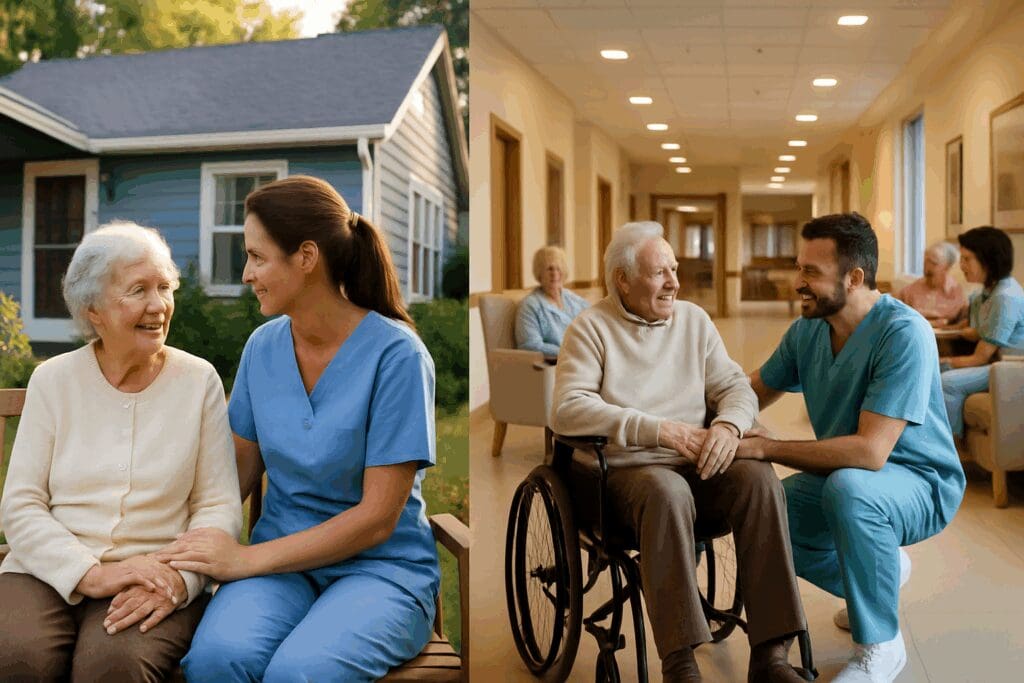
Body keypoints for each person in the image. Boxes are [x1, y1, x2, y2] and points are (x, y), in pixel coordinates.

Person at [156, 175, 440, 682]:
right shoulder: (263, 348)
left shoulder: (397, 356)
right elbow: (232, 478)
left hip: (382, 572)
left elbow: (377, 519)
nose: (246, 274)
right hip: (279, 571)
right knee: (216, 659)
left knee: (301, 672)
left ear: (306, 257)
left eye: (257, 257)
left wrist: (243, 560)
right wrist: (164, 551)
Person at [551, 221, 808, 683]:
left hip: (699, 464)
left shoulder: (693, 321)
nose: (673, 282)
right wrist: (657, 430)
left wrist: (729, 426)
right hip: (628, 477)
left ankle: (771, 653)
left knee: (759, 479)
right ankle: (680, 662)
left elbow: (734, 386)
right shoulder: (590, 328)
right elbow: (568, 409)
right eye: (659, 273)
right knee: (666, 490)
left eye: (673, 270)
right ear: (622, 281)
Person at [0, 222, 241, 681]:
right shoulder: (54, 380)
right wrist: (89, 575)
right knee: (15, 655)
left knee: (114, 665)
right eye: (137, 290)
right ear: (94, 310)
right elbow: (21, 504)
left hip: (155, 573)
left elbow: (218, 506)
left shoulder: (198, 381)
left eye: (164, 287)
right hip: (45, 570)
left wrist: (180, 580)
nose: (158, 306)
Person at [737, 213, 965, 683]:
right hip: (844, 475)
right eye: (799, 268)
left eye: (811, 273)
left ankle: (880, 645)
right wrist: (696, 413)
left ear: (854, 277)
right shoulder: (810, 329)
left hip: (920, 482)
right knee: (764, 511)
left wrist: (768, 447)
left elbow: (869, 453)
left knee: (852, 489)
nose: (798, 283)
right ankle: (879, 578)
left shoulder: (903, 332)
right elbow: (755, 386)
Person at [938, 226, 1024, 439]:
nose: (961, 265)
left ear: (988, 260)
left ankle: (952, 451)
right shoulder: (986, 292)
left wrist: (944, 361)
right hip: (995, 363)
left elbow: (980, 356)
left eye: (967, 259)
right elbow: (978, 331)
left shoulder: (1005, 297)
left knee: (945, 382)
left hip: (1011, 369)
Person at [515, 245, 589, 356]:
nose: (555, 273)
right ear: (539, 273)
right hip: (557, 366)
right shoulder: (530, 306)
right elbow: (530, 345)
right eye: (549, 269)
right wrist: (569, 353)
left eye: (558, 268)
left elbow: (595, 323)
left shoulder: (574, 300)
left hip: (586, 360)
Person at [895, 240, 966, 327]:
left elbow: (962, 323)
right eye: (925, 261)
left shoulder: (956, 292)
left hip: (945, 339)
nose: (927, 267)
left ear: (947, 267)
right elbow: (894, 313)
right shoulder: (911, 290)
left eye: (933, 263)